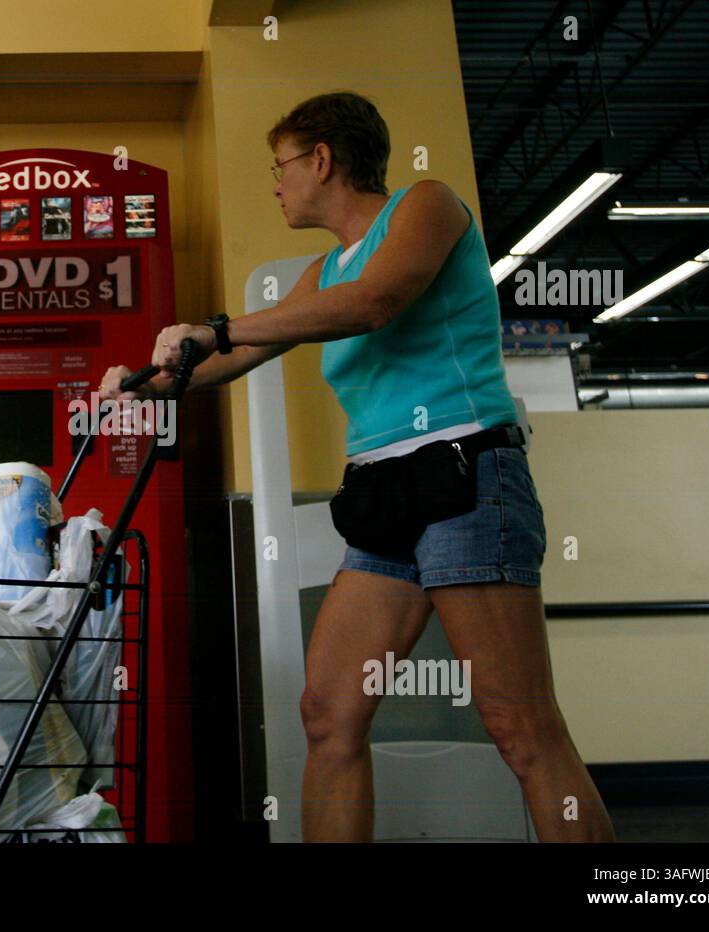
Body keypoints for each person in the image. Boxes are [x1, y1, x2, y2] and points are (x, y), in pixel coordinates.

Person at [100, 91, 614, 843]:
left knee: (519, 725)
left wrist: (215, 328)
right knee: (328, 713)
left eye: (280, 166)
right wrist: (138, 383)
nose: (274, 184)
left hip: (464, 475)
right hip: (381, 496)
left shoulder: (427, 206)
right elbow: (234, 357)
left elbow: (377, 301)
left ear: (323, 159)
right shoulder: (320, 275)